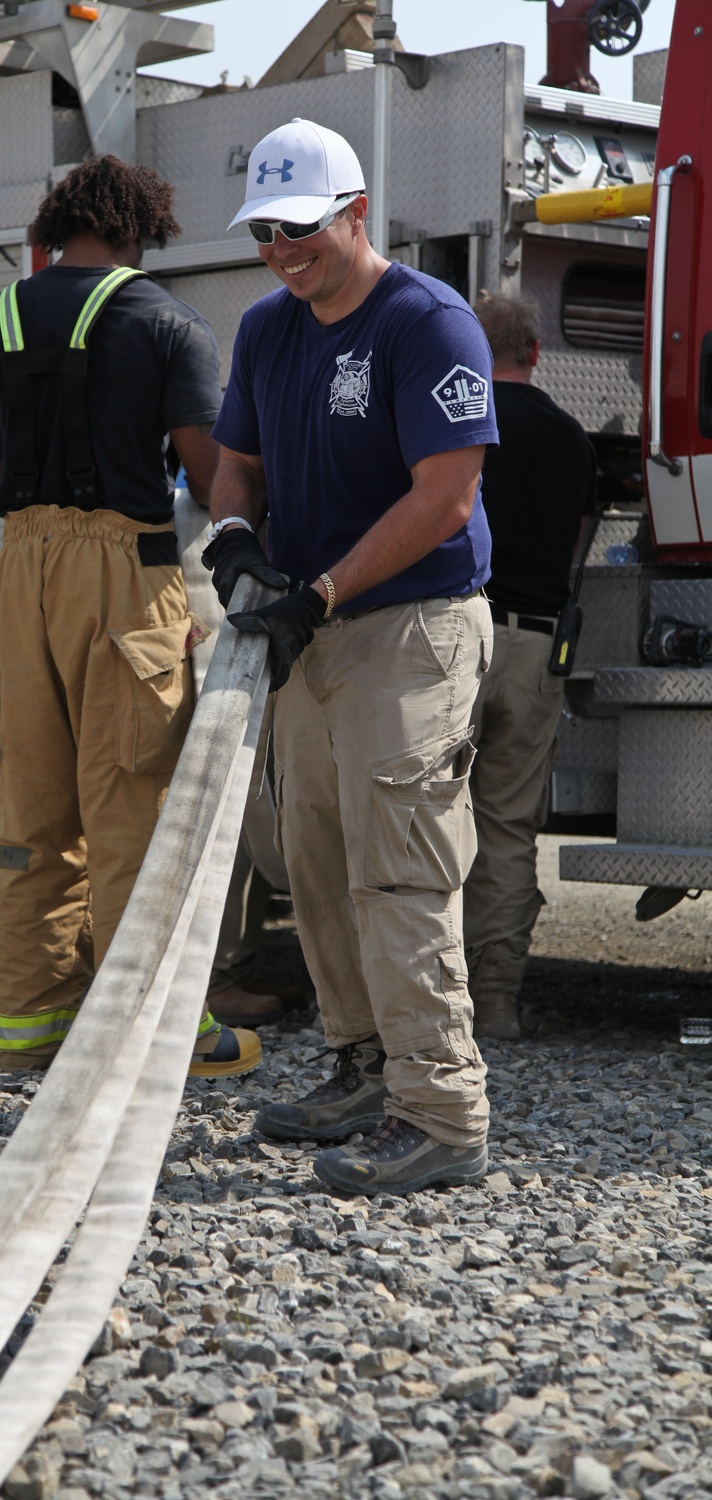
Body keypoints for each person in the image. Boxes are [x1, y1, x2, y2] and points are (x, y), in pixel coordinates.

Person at [202, 117, 498, 1196]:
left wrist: (318, 589)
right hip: (310, 633)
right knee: (316, 864)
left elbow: (445, 496)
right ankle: (362, 1068)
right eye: (265, 231)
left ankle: (440, 1114)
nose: (282, 248)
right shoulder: (268, 330)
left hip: (407, 630)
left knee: (399, 869)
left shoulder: (428, 323)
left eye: (301, 228)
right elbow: (235, 464)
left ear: (355, 212)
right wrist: (236, 543)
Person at [0, 154, 261, 1078]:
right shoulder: (166, 324)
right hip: (123, 572)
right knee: (136, 810)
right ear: (138, 231)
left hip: (21, 573)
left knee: (33, 812)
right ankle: (157, 1033)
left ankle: (27, 1028)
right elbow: (215, 483)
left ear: (59, 227)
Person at [463, 293, 597, 1041]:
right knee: (508, 828)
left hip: (461, 637)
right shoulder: (573, 439)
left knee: (422, 821)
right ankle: (498, 1001)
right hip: (539, 647)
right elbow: (577, 540)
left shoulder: (460, 419)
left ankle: (419, 999)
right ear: (535, 354)